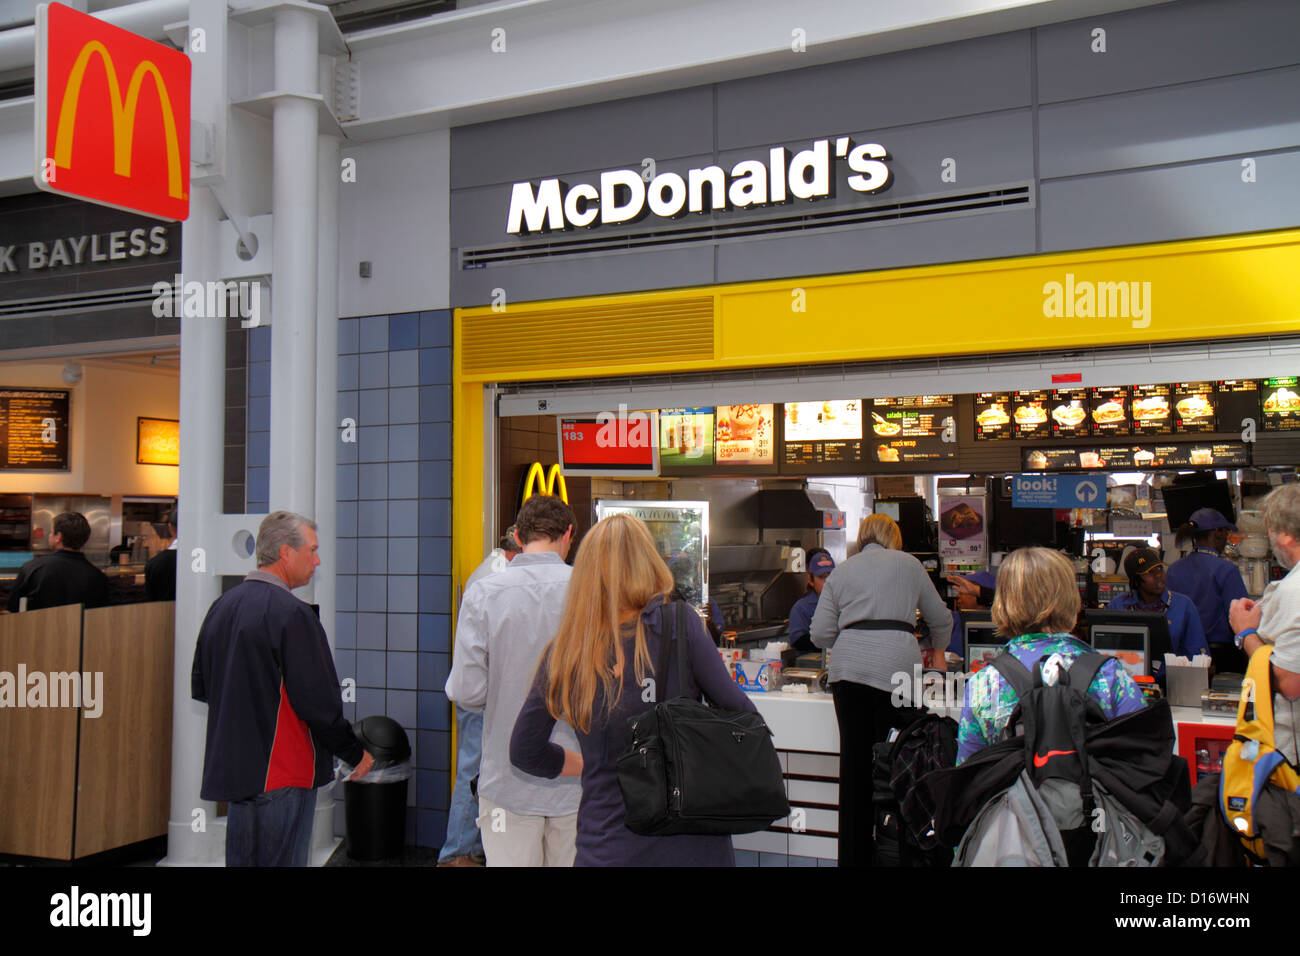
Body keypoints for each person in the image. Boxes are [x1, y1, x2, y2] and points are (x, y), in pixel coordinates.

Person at [510, 512, 757, 866]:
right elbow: (744, 716)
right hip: (691, 844)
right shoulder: (680, 624)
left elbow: (524, 750)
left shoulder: (566, 649)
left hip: (608, 844)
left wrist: (592, 764)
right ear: (648, 563)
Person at [191, 510, 374, 866]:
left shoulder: (221, 607)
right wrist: (354, 753)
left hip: (238, 774)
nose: (318, 560)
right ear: (286, 554)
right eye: (312, 550)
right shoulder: (293, 615)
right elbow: (318, 703)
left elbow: (204, 686)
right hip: (283, 773)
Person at [809, 513, 952, 867]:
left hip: (847, 676)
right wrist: (937, 651)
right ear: (895, 538)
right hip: (898, 673)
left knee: (855, 770)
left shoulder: (841, 571)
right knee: (898, 763)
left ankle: (853, 859)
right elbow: (942, 619)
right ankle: (896, 852)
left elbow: (819, 634)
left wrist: (852, 634)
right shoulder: (909, 565)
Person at [445, 495, 581, 866]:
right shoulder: (589, 591)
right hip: (577, 782)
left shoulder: (484, 592)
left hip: (508, 782)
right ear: (568, 534)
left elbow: (466, 692)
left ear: (518, 537)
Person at [956, 547, 1146, 766]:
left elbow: (968, 773)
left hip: (1012, 799)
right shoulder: (1109, 675)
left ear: (1004, 603)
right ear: (1070, 598)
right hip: (1091, 799)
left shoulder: (984, 684)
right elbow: (1140, 762)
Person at [438, 525, 521, 868]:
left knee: (476, 770)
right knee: (473, 772)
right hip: (479, 695)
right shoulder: (494, 578)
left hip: (478, 690)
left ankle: (468, 849)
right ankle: (458, 852)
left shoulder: (490, 572)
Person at [1228, 485, 1300, 772]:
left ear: (1285, 534)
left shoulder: (1294, 590)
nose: (1269, 539)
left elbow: (1290, 682)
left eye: (1271, 530)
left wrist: (1246, 633)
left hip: (1291, 760)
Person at [1166, 507, 1249, 674]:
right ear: (1217, 532)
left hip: (1180, 654)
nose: (1227, 538)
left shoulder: (1174, 569)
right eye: (1225, 532)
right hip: (1220, 656)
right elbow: (1241, 614)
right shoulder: (1226, 570)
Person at [1107, 547, 1208, 663]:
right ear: (1135, 580)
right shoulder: (1119, 605)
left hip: (1171, 678)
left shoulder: (1183, 606)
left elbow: (1196, 654)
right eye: (1149, 572)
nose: (1158, 575)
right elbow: (1107, 651)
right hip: (1128, 676)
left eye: (1159, 569)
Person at [6, 511, 109, 612]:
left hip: (37, 628)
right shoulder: (98, 577)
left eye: (51, 532)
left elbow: (13, 607)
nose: (49, 535)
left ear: (58, 537)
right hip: (78, 629)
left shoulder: (32, 568)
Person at [787, 548, 834, 654]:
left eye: (830, 575)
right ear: (810, 580)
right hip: (811, 666)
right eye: (821, 577)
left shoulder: (843, 603)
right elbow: (798, 641)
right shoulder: (801, 608)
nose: (827, 581)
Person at [144, 507, 178, 601]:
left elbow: (151, 599)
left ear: (170, 527)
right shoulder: (204, 559)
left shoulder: (155, 563)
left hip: (162, 614)